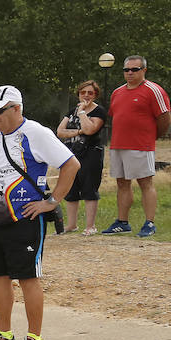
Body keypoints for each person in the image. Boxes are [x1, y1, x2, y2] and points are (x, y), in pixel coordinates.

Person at [0, 86, 79, 340]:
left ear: (16, 108)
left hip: (26, 218)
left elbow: (71, 165)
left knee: (27, 277)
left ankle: (36, 339)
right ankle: (4, 334)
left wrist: (52, 202)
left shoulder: (36, 133)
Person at [101, 56, 170, 238]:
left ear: (144, 71)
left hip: (141, 145)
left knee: (145, 183)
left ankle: (149, 223)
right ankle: (122, 222)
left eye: (135, 69)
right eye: (126, 70)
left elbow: (164, 118)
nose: (130, 73)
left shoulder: (153, 90)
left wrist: (151, 137)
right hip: (118, 145)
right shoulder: (117, 92)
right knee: (122, 183)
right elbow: (117, 116)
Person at [56, 80, 108, 235]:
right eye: (83, 92)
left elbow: (90, 129)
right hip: (71, 153)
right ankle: (72, 225)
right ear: (78, 94)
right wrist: (78, 132)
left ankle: (90, 226)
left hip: (91, 153)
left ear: (95, 95)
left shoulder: (99, 112)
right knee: (71, 188)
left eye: (90, 93)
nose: (86, 95)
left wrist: (82, 113)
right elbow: (60, 131)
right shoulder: (71, 110)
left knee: (89, 188)